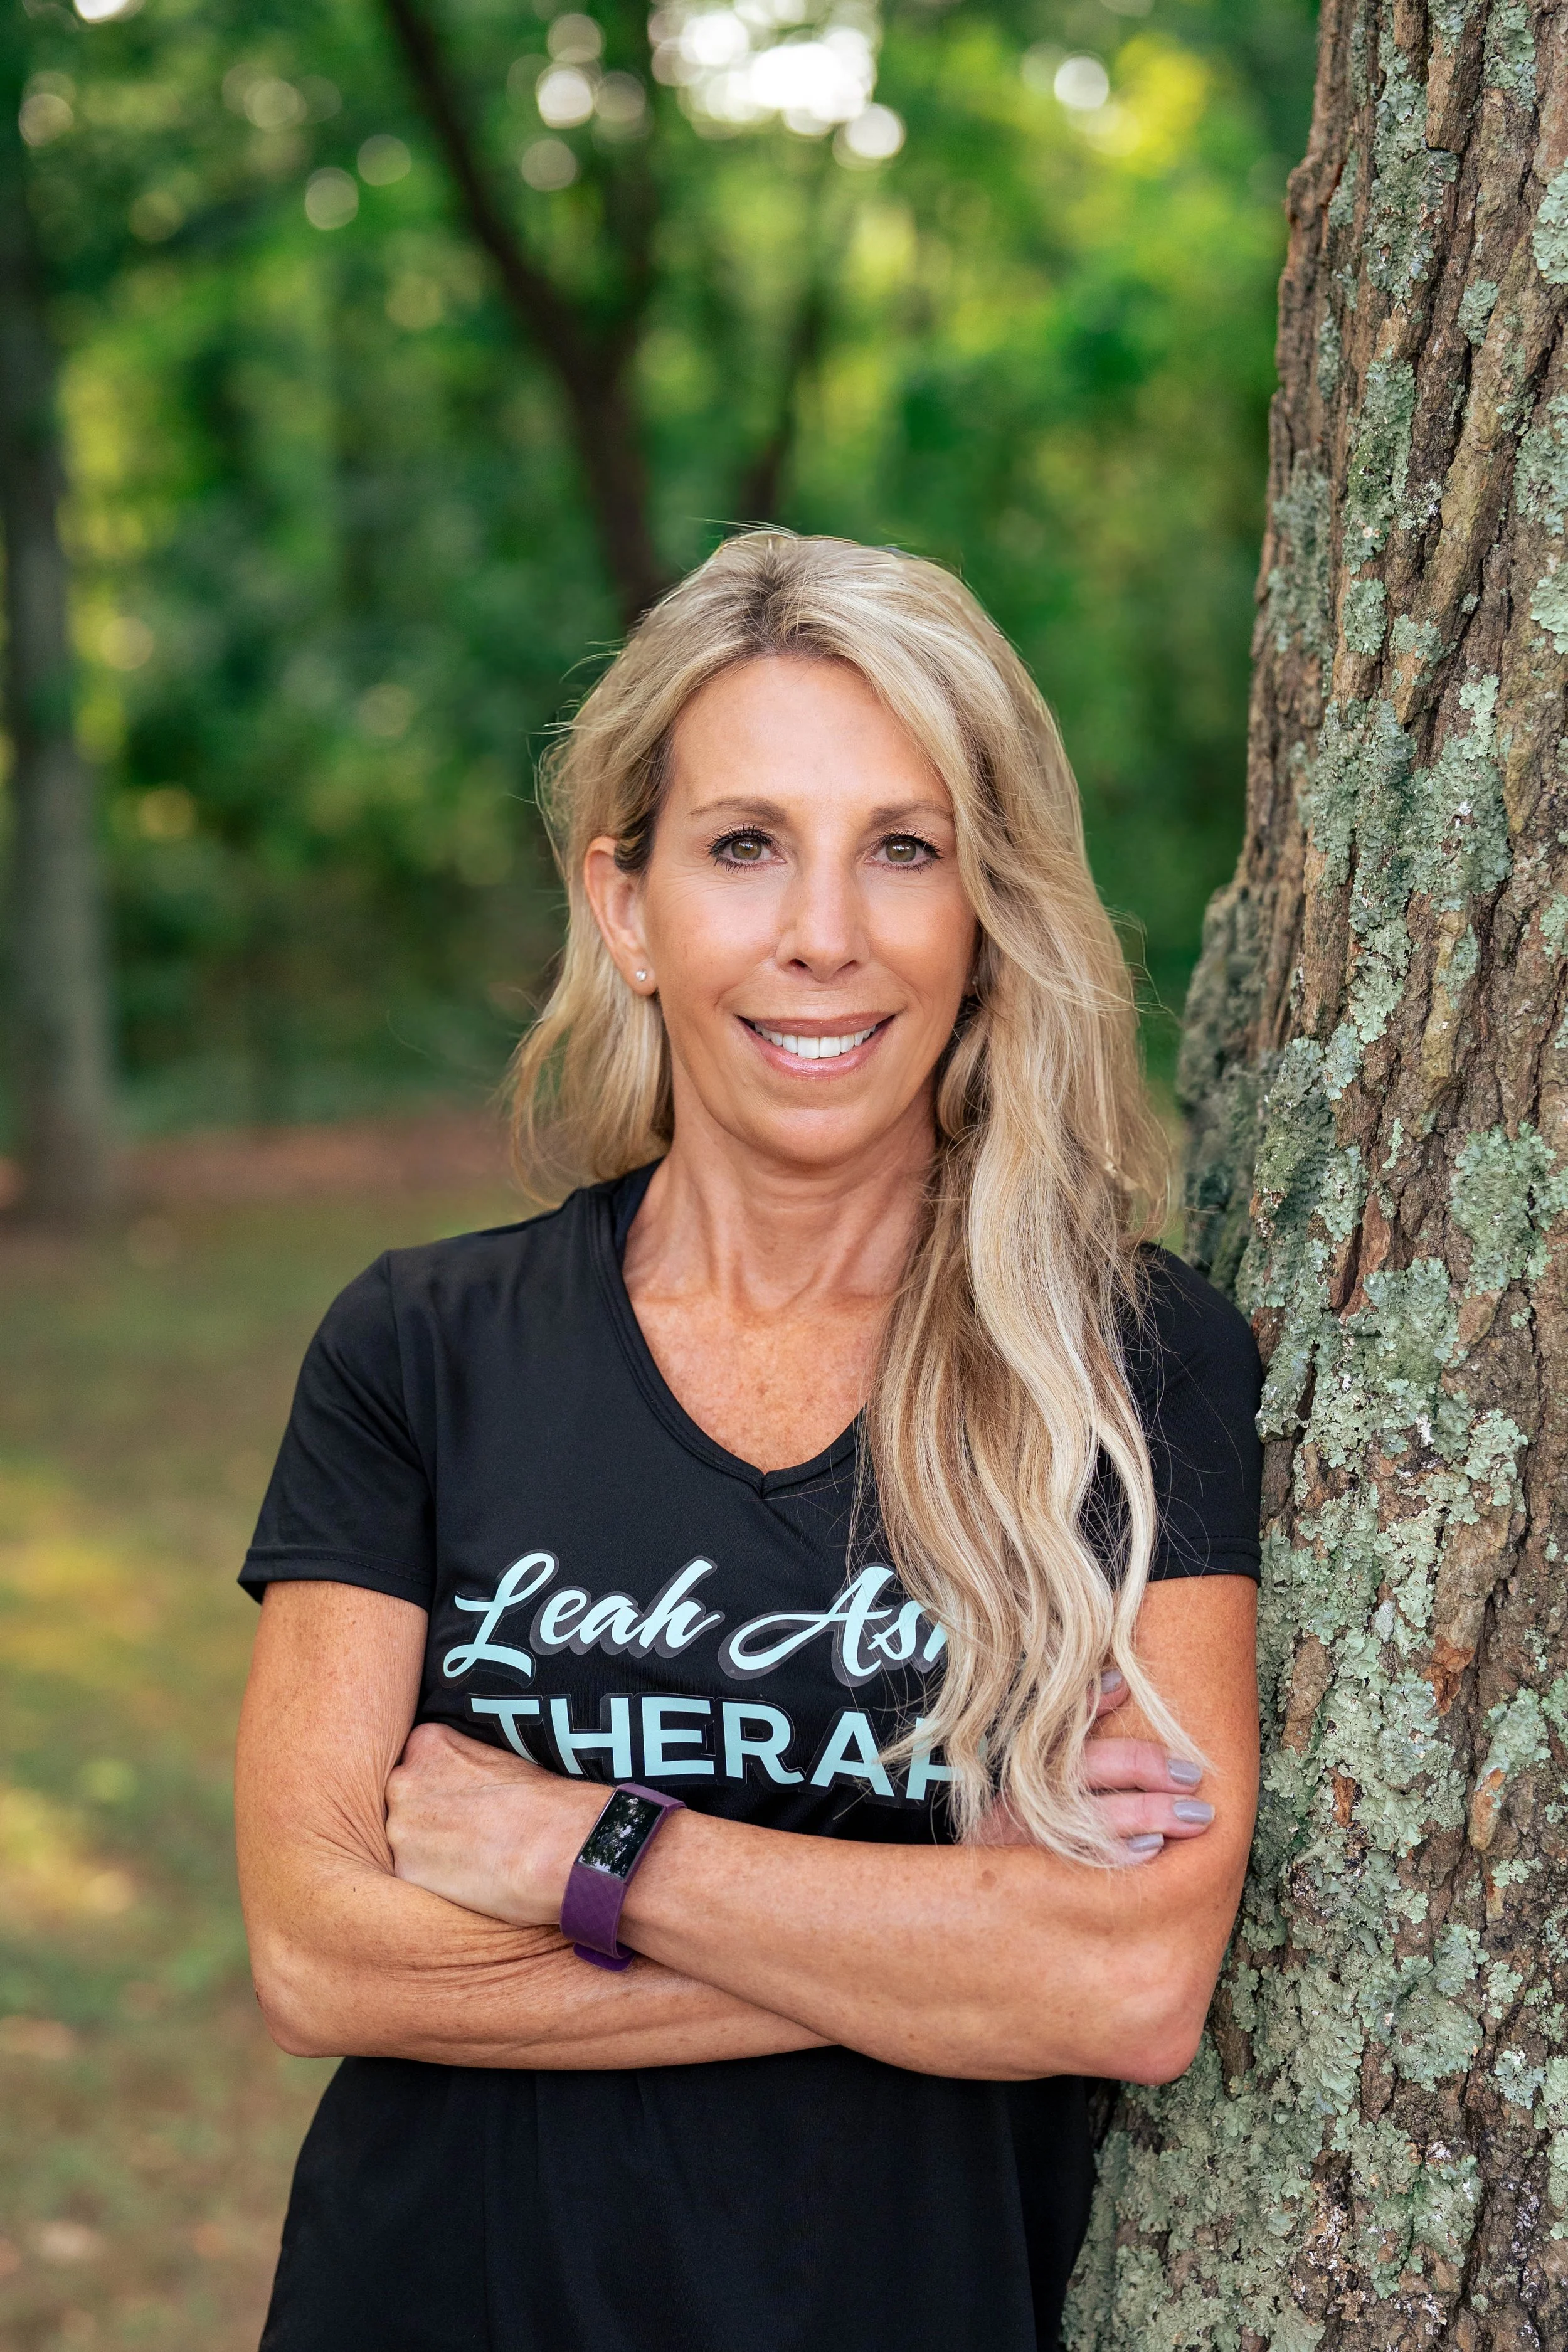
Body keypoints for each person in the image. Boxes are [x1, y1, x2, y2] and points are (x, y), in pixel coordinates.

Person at [235, 531, 1263, 2352]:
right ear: (624, 906)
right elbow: (322, 1950)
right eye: (742, 846)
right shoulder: (420, 1350)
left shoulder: (1124, 1359)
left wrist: (587, 1846)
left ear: (984, 906)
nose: (822, 935)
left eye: (902, 847)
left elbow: (1122, 1980)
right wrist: (954, 1946)